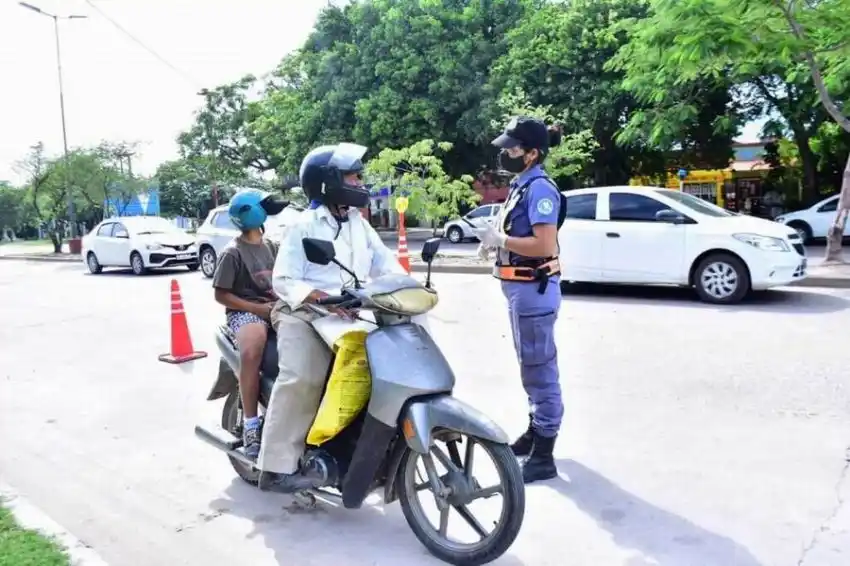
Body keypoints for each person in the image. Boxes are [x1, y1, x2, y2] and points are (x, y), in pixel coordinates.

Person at [257, 142, 407, 493]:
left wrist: (407, 287)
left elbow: (386, 264)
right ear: (328, 183)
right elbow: (284, 280)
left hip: (350, 312)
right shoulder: (304, 225)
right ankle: (276, 467)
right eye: (353, 177)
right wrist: (321, 298)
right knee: (303, 376)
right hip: (302, 313)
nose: (360, 183)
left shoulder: (358, 224)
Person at [472, 116, 566, 484]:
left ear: (532, 153)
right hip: (521, 290)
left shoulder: (540, 189)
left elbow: (544, 244)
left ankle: (544, 453)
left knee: (540, 369)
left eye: (512, 148)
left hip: (534, 291)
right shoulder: (521, 185)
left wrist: (501, 241)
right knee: (531, 365)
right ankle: (535, 430)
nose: (506, 153)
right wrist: (494, 245)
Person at [212, 188, 288, 460]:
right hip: (245, 312)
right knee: (252, 349)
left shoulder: (273, 247)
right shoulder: (233, 253)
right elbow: (221, 294)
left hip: (276, 308)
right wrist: (257, 309)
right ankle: (251, 425)